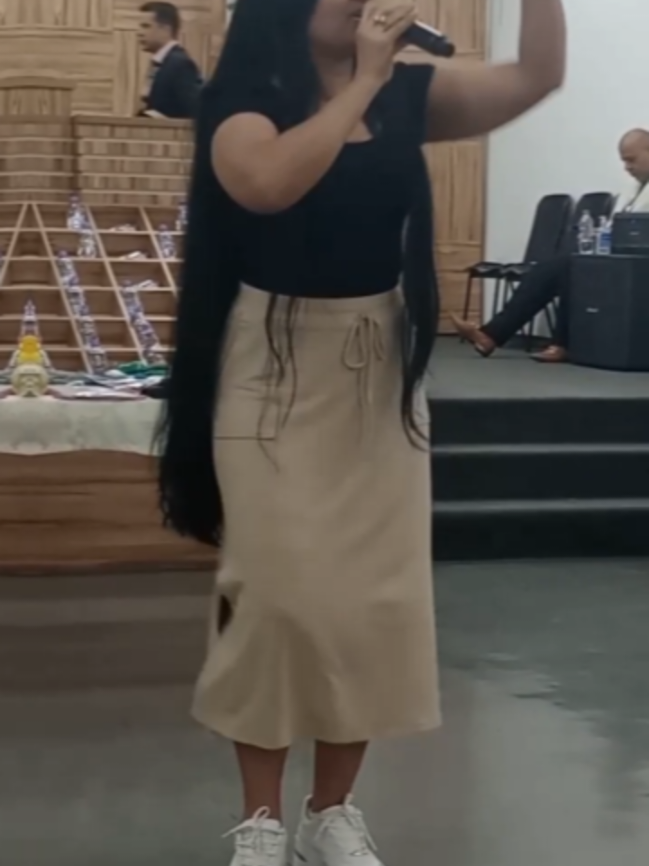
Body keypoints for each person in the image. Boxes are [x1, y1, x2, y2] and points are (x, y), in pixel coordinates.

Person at [156, 0, 565, 864]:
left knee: (370, 603)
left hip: (377, 366)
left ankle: (329, 813)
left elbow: (536, 76)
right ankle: (260, 821)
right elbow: (267, 183)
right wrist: (365, 82)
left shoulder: (406, 93)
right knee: (273, 596)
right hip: (272, 365)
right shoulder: (245, 100)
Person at [452, 128, 649, 363]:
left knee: (570, 268)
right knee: (550, 269)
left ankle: (554, 343)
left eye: (631, 160)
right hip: (621, 263)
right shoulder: (632, 190)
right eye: (624, 161)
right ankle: (492, 335)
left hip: (640, 268)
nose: (627, 167)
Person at [138, 2, 202, 119]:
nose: (139, 33)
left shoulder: (180, 64)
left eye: (146, 26)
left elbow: (193, 111)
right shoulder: (161, 63)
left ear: (165, 29)